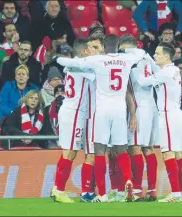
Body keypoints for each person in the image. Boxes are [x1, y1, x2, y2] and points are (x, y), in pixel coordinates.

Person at [56, 35, 145, 202]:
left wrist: (57, 58)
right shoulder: (126, 59)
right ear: (117, 45)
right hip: (119, 110)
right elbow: (140, 53)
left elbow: (65, 63)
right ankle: (127, 182)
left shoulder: (97, 61)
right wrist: (124, 50)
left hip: (101, 111)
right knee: (121, 150)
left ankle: (102, 194)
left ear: (103, 46)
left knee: (98, 151)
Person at [133, 42, 182, 202]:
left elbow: (143, 82)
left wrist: (135, 68)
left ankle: (175, 194)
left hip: (168, 115)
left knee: (167, 152)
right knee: (177, 154)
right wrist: (146, 57)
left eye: (157, 53)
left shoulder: (166, 72)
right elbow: (155, 67)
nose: (155, 56)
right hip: (176, 114)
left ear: (166, 56)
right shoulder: (172, 70)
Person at [51, 38, 96, 203]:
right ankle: (60, 190)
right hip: (75, 112)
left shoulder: (73, 65)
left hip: (69, 110)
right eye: (90, 48)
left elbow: (60, 60)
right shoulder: (84, 67)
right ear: (84, 52)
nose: (92, 51)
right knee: (70, 152)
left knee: (68, 151)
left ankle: (56, 188)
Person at [117, 34, 160, 202]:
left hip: (138, 108)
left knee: (134, 147)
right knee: (148, 149)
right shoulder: (147, 59)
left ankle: (137, 190)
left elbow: (128, 89)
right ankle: (152, 189)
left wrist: (132, 113)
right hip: (152, 106)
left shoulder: (128, 62)